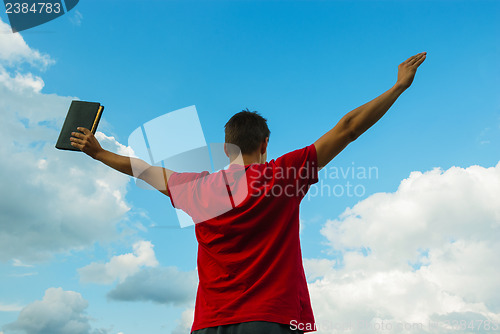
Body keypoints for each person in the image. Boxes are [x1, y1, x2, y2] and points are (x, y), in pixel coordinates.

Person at [70, 52, 426, 334]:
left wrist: (98, 152)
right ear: (265, 143)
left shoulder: (195, 188)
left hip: (209, 325)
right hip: (271, 320)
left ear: (226, 148)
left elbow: (144, 169)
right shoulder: (283, 175)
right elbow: (347, 130)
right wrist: (398, 88)